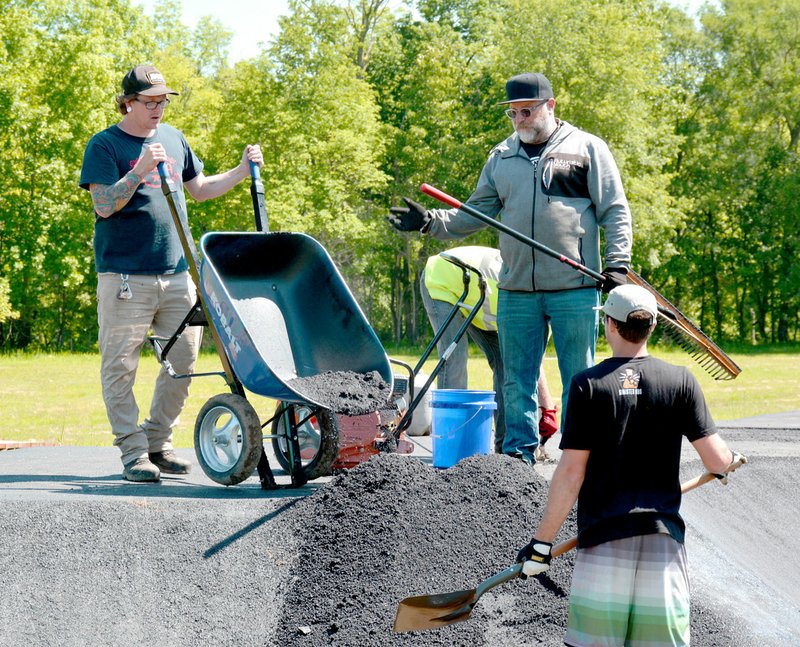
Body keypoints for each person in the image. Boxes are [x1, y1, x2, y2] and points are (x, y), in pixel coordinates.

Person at [388, 72, 632, 464]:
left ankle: (579, 458)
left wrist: (618, 263)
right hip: (516, 289)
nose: (520, 120)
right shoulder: (501, 157)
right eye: (513, 114)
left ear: (550, 106)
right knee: (516, 380)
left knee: (579, 379)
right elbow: (475, 213)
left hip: (575, 285)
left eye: (527, 111)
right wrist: (430, 222)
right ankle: (519, 457)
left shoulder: (588, 149)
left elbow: (615, 210)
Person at [515, 284, 745, 646]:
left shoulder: (587, 386)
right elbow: (716, 459)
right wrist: (729, 462)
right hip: (662, 543)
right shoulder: (681, 380)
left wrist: (542, 544)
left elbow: (571, 474)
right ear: (652, 327)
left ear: (609, 324)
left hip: (604, 540)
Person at [79, 65, 264, 482]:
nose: (159, 108)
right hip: (125, 278)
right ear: (128, 102)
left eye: (163, 101)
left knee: (183, 360)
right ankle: (132, 454)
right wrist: (140, 168)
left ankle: (158, 442)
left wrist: (238, 171)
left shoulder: (174, 138)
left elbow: (198, 190)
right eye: (150, 102)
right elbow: (103, 205)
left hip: (180, 273)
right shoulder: (105, 145)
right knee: (120, 367)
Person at [419, 246, 558, 453]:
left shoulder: (538, 315)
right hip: (443, 279)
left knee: (505, 363)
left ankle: (504, 448)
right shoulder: (514, 293)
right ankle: (452, 445)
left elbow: (532, 363)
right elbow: (530, 364)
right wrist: (546, 407)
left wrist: (548, 409)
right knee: (454, 357)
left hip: (477, 295)